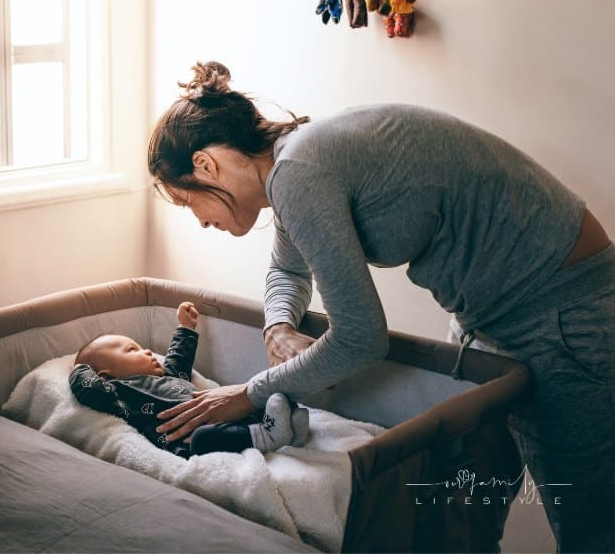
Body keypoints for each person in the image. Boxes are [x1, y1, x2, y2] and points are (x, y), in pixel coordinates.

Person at [147, 61, 613, 552]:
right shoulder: (291, 168)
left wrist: (251, 393)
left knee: (589, 522)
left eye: (187, 203)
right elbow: (287, 271)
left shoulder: (298, 172)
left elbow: (361, 337)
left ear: (205, 165)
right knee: (462, 508)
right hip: (487, 314)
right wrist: (278, 325)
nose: (199, 221)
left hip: (560, 304)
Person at [69, 301, 309, 458]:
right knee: (204, 438)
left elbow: (179, 360)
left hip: (223, 413)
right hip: (191, 439)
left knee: (263, 398)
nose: (148, 352)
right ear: (105, 376)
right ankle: (267, 436)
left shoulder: (168, 376)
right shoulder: (117, 393)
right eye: (132, 351)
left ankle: (285, 430)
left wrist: (185, 327)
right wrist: (79, 368)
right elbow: (87, 390)